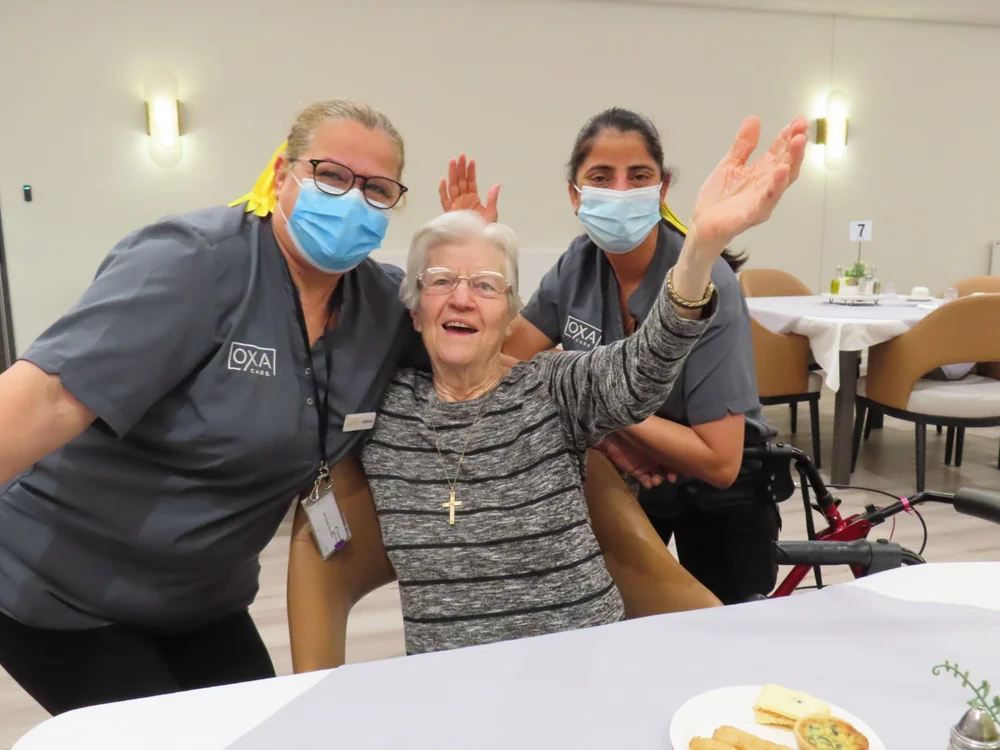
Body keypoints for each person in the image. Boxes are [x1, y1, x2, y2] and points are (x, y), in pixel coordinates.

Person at [0, 98, 426, 715]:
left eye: (377, 189)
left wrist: (466, 256)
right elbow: (45, 397)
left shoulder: (381, 306)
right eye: (331, 175)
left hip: (204, 598)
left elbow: (479, 353)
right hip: (64, 591)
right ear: (281, 175)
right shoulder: (195, 261)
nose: (352, 199)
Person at [362, 113, 806, 655]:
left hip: (721, 493)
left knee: (723, 646)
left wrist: (595, 413)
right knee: (643, 633)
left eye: (638, 176)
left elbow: (718, 460)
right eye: (600, 176)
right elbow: (501, 350)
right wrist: (474, 266)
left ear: (663, 188)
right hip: (635, 480)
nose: (619, 191)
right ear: (574, 194)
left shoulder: (707, 282)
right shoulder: (579, 263)